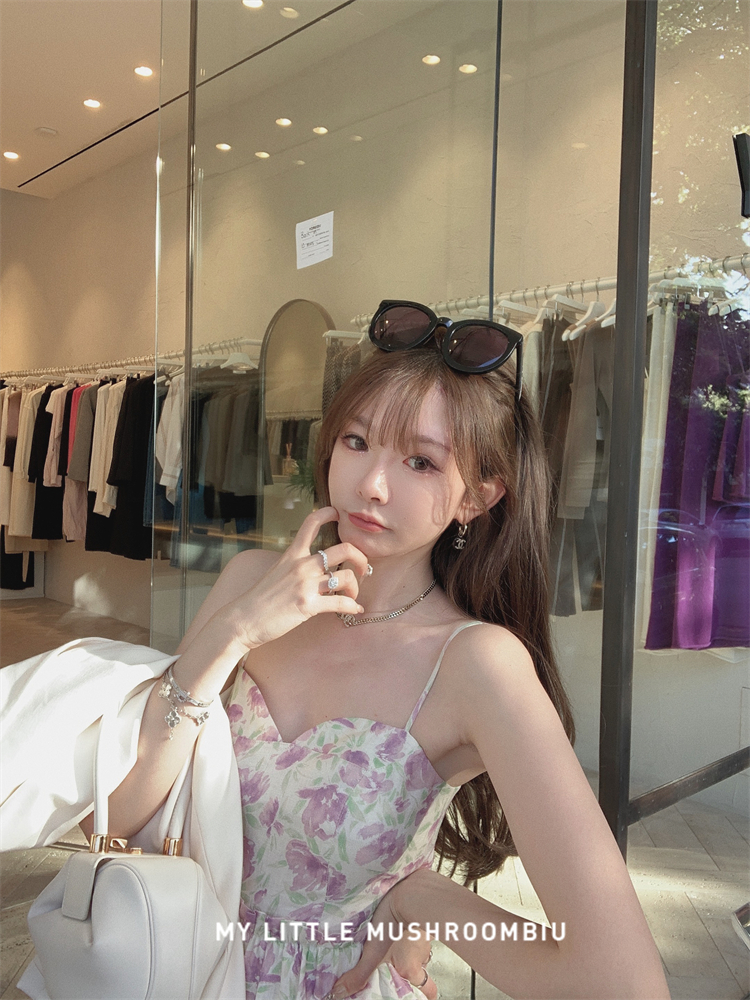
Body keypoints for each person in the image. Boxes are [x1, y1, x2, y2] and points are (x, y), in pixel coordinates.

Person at [79, 304, 670, 1000]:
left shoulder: (476, 664)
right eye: (357, 441)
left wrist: (428, 902)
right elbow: (113, 816)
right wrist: (234, 631)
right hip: (176, 968)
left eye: (421, 461)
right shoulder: (248, 584)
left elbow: (621, 982)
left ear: (477, 497)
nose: (372, 484)